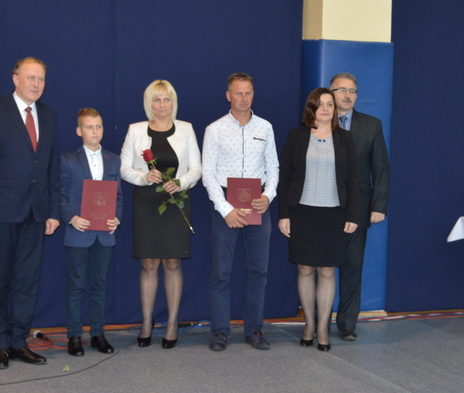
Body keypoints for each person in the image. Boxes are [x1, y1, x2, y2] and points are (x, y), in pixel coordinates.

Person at [0, 57, 61, 369]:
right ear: (16, 79)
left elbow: (51, 167)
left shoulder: (48, 115)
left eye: (41, 79)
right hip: (1, 213)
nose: (36, 84)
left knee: (27, 281)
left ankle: (19, 341)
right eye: (31, 78)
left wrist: (53, 211)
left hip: (36, 213)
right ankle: (0, 344)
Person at [120, 80, 202, 348]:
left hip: (176, 202)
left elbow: (196, 169)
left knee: (172, 263)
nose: (162, 105)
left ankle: (172, 323)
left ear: (173, 102)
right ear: (149, 103)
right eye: (157, 100)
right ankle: (146, 322)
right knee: (148, 264)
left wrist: (180, 182)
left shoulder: (186, 129)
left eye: (167, 99)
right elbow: (123, 168)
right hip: (146, 203)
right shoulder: (135, 130)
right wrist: (144, 177)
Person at [202, 73, 279, 351]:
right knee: (221, 273)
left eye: (248, 93)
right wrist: (225, 209)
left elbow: (273, 167)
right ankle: (220, 332)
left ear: (253, 95)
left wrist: (268, 196)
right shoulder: (215, 129)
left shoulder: (266, 127)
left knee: (258, 271)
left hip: (258, 205)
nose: (243, 98)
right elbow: (208, 174)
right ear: (228, 96)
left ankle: (254, 329)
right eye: (238, 93)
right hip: (226, 207)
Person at [278, 87, 359, 352]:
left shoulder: (345, 139)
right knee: (304, 269)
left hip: (334, 213)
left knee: (327, 271)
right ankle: (309, 324)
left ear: (335, 110)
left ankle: (323, 327)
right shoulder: (296, 136)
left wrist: (353, 214)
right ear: (311, 108)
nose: (325, 108)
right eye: (320, 104)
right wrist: (284, 214)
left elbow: (354, 179)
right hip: (302, 212)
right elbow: (284, 177)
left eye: (330, 104)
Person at [330, 72, 390, 341]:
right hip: (323, 207)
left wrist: (379, 206)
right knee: (321, 268)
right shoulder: (318, 121)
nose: (347, 96)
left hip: (359, 208)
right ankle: (319, 321)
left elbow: (381, 168)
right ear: (330, 93)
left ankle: (347, 324)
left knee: (352, 268)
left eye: (352, 91)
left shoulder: (371, 125)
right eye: (342, 90)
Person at [60, 108, 123, 357]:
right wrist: (71, 218)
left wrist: (117, 218)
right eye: (89, 127)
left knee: (100, 285)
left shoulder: (113, 160)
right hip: (79, 231)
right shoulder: (68, 160)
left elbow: (118, 196)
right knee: (76, 285)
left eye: (98, 126)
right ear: (79, 131)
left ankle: (98, 333)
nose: (94, 131)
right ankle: (74, 335)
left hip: (104, 233)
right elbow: (61, 196)